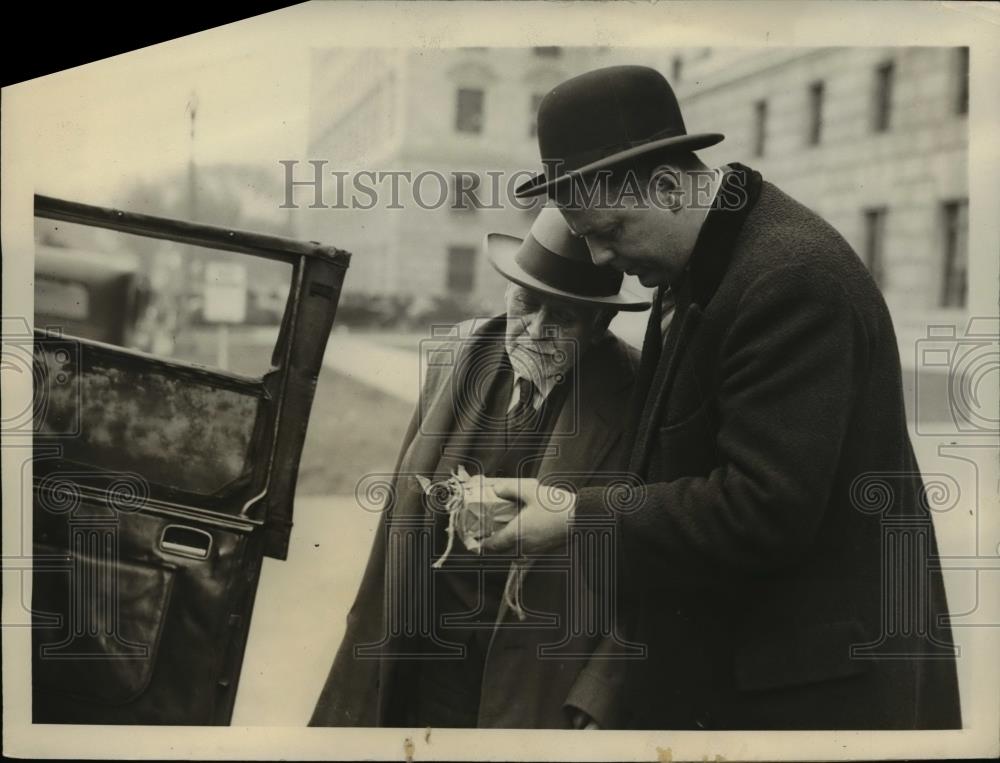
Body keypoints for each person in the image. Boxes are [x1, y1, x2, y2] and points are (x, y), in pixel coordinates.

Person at [482, 65, 962, 729]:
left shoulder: (791, 281)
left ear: (670, 186)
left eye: (609, 230)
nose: (595, 258)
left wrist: (573, 514)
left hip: (810, 700)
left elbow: (761, 508)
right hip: (751, 676)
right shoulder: (698, 267)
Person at [309, 205, 650, 728]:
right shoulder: (461, 352)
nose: (535, 330)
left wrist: (601, 690)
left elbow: (655, 557)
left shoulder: (635, 394)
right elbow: (399, 511)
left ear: (599, 324)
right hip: (423, 657)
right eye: (526, 304)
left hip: (536, 677)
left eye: (561, 318)